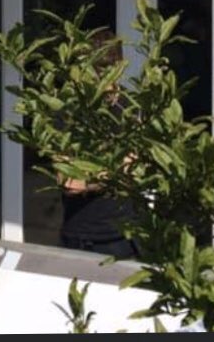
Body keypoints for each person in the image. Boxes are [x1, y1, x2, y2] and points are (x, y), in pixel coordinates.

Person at [58, 31, 137, 259]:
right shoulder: (70, 110)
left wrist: (90, 174)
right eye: (96, 68)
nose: (101, 76)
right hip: (82, 234)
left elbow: (136, 169)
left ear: (119, 67)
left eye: (106, 68)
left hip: (126, 234)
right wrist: (115, 172)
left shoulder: (133, 108)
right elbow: (69, 182)